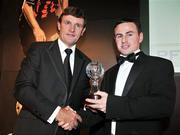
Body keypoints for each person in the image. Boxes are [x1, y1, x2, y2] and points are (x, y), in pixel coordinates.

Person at [85, 18, 176, 135]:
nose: (124, 40)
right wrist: (83, 113)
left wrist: (111, 104)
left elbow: (163, 106)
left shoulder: (160, 65)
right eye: (119, 35)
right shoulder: (109, 73)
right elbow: (102, 114)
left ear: (140, 37)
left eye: (129, 34)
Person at [13, 6, 91, 135]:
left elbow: (86, 103)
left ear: (83, 31)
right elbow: (22, 88)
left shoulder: (87, 63)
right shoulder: (38, 50)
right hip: (34, 130)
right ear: (59, 25)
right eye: (67, 23)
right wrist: (57, 113)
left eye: (78, 25)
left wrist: (76, 119)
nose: (72, 29)